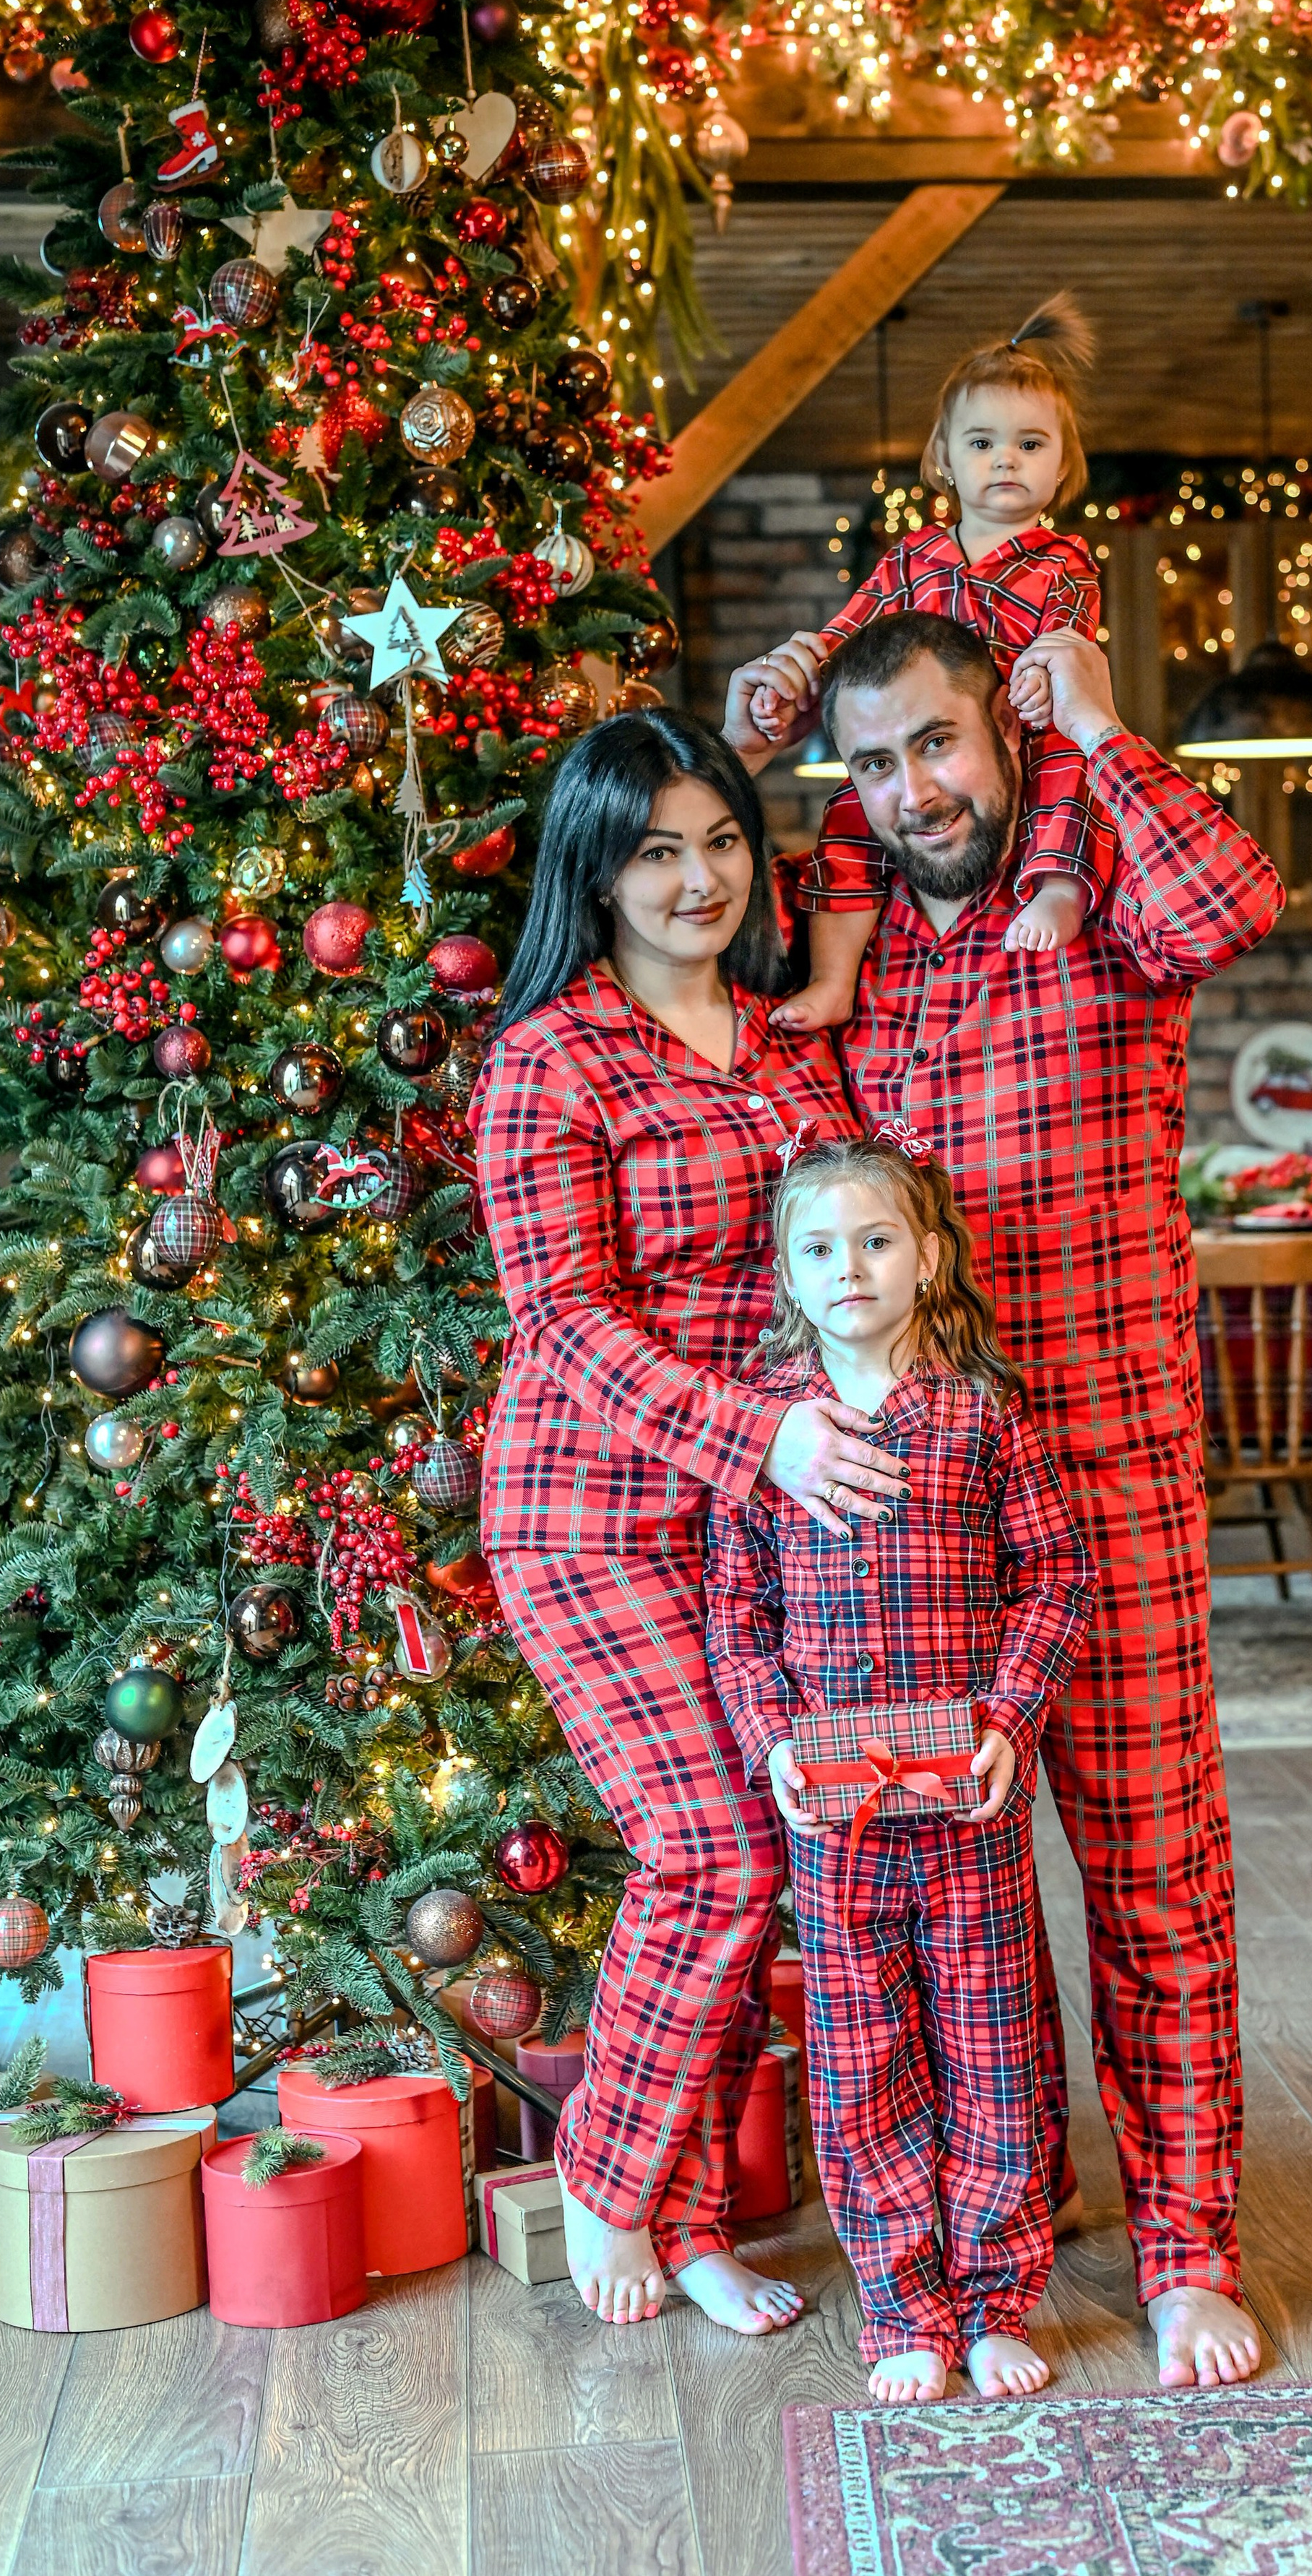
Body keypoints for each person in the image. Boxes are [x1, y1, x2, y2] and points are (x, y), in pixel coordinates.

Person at [723, 611, 1286, 2390]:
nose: (909, 790)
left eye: (937, 746)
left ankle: (1188, 2240)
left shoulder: (1097, 896)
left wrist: (1102, 727)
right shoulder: (852, 957)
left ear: (1005, 731)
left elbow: (1233, 903)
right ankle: (996, 2229)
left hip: (1103, 1481)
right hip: (897, 1531)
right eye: (872, 763)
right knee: (946, 1913)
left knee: (1150, 1877)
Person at [471, 707, 911, 2333]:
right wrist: (766, 1440)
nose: (697, 876)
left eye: (720, 838)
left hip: (763, 1524)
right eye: (656, 848)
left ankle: (699, 2211)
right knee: (709, 1849)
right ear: (594, 870)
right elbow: (564, 1323)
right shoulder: (547, 1060)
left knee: (777, 1848)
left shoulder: (795, 1047)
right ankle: (607, 2185)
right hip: (591, 1514)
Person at [704, 1129, 1092, 2406]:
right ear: (787, 1274)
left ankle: (995, 2298)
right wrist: (768, 1744)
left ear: (927, 1259)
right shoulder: (773, 1441)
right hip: (834, 1818)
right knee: (863, 2054)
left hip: (972, 1802)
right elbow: (737, 1612)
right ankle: (903, 2307)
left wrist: (1010, 1719)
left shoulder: (986, 1418)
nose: (851, 1267)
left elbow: (1056, 1578)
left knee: (992, 2043)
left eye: (876, 1240)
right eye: (821, 1248)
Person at [752, 295, 1114, 1033]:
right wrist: (800, 676)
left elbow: (1065, 641)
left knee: (1068, 783)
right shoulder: (915, 555)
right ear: (944, 458)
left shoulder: (1064, 563)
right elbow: (849, 628)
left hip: (1018, 727)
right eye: (982, 444)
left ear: (1061, 465)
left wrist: (1043, 684)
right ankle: (833, 976)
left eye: (1030, 444)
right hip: (923, 730)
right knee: (849, 819)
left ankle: (1057, 892)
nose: (1005, 459)